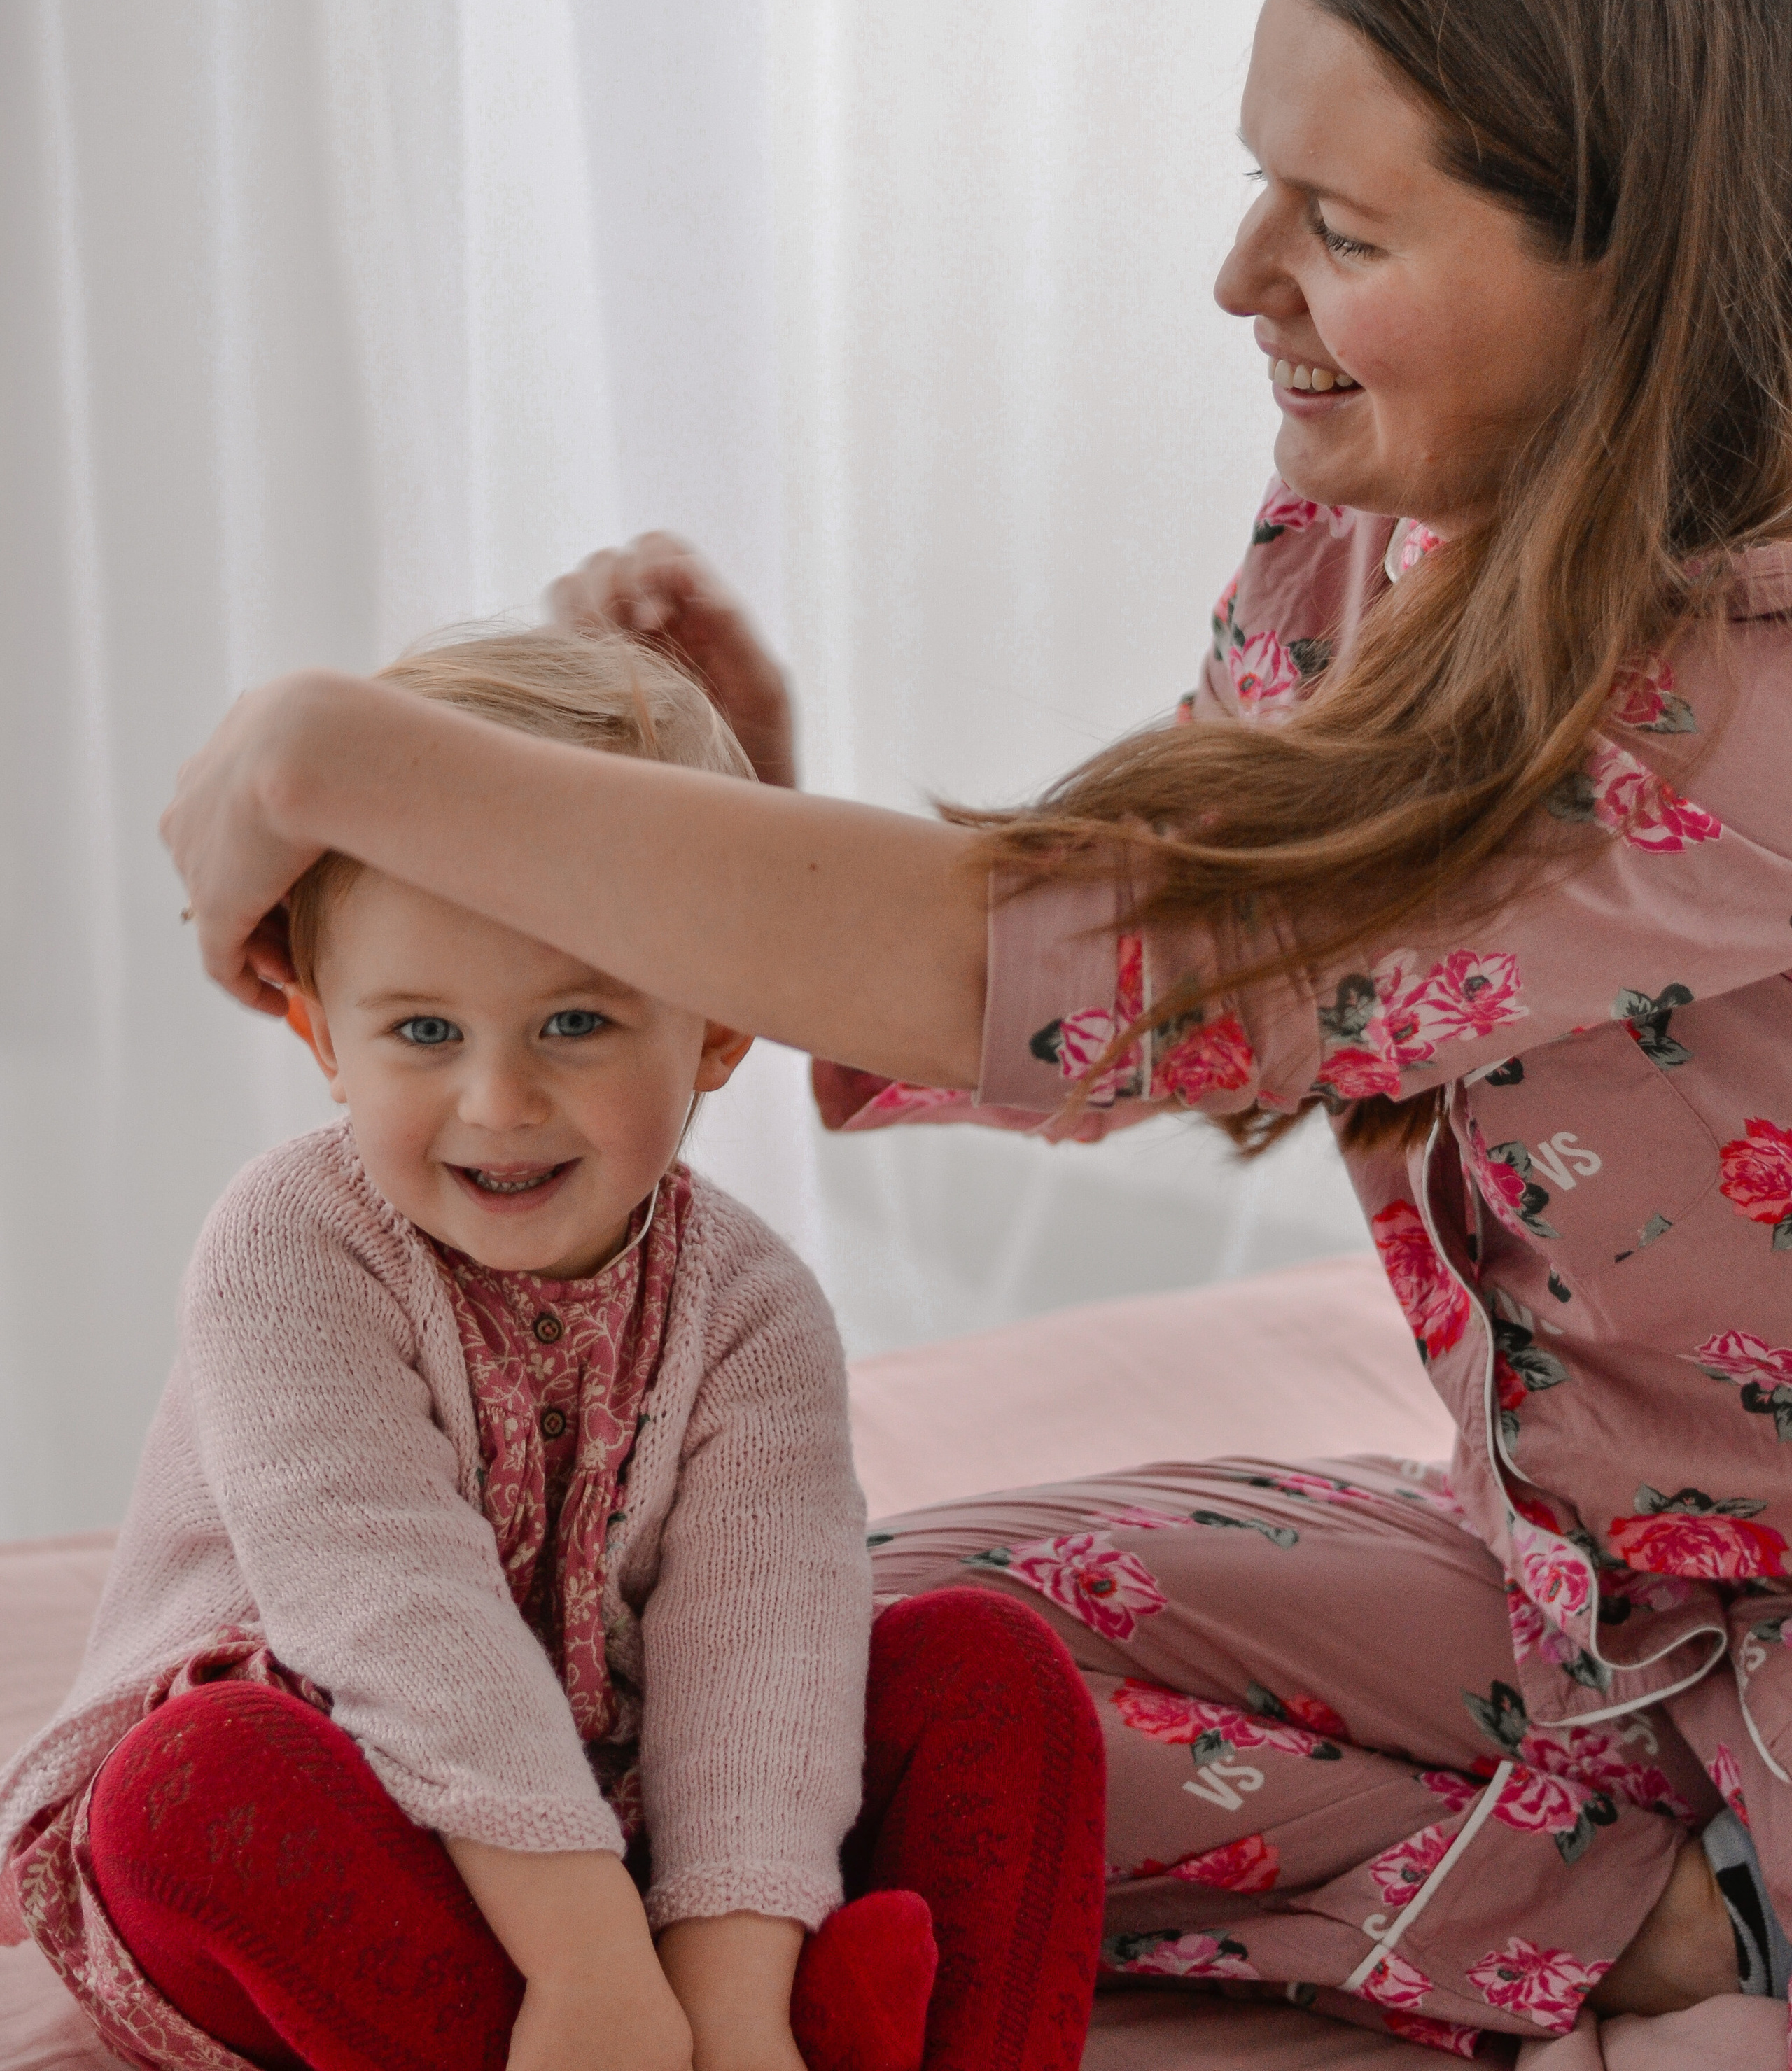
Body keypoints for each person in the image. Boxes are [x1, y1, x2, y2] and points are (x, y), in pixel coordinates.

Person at [156, 0, 1792, 2050]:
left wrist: (346, 758)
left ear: (1629, 270)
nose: (1242, 278)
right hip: (1574, 1573)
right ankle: (1644, 1896)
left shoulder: (1739, 708)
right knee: (796, 1677)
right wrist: (742, 845)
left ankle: (1662, 1920)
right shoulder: (1376, 532)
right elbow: (1131, 973)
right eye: (1258, 183)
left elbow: (1128, 967)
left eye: (1338, 226)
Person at [0, 631, 1106, 2071]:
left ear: (719, 1027)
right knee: (192, 1789)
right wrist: (591, 1970)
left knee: (990, 1666)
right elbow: (393, 1608)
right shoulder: (290, 1245)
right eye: (423, 1030)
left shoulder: (754, 1306)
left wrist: (731, 1993)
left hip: (633, 1839)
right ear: (321, 1035)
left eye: (576, 1021)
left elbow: (760, 1654)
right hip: (349, 1792)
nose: (500, 1100)